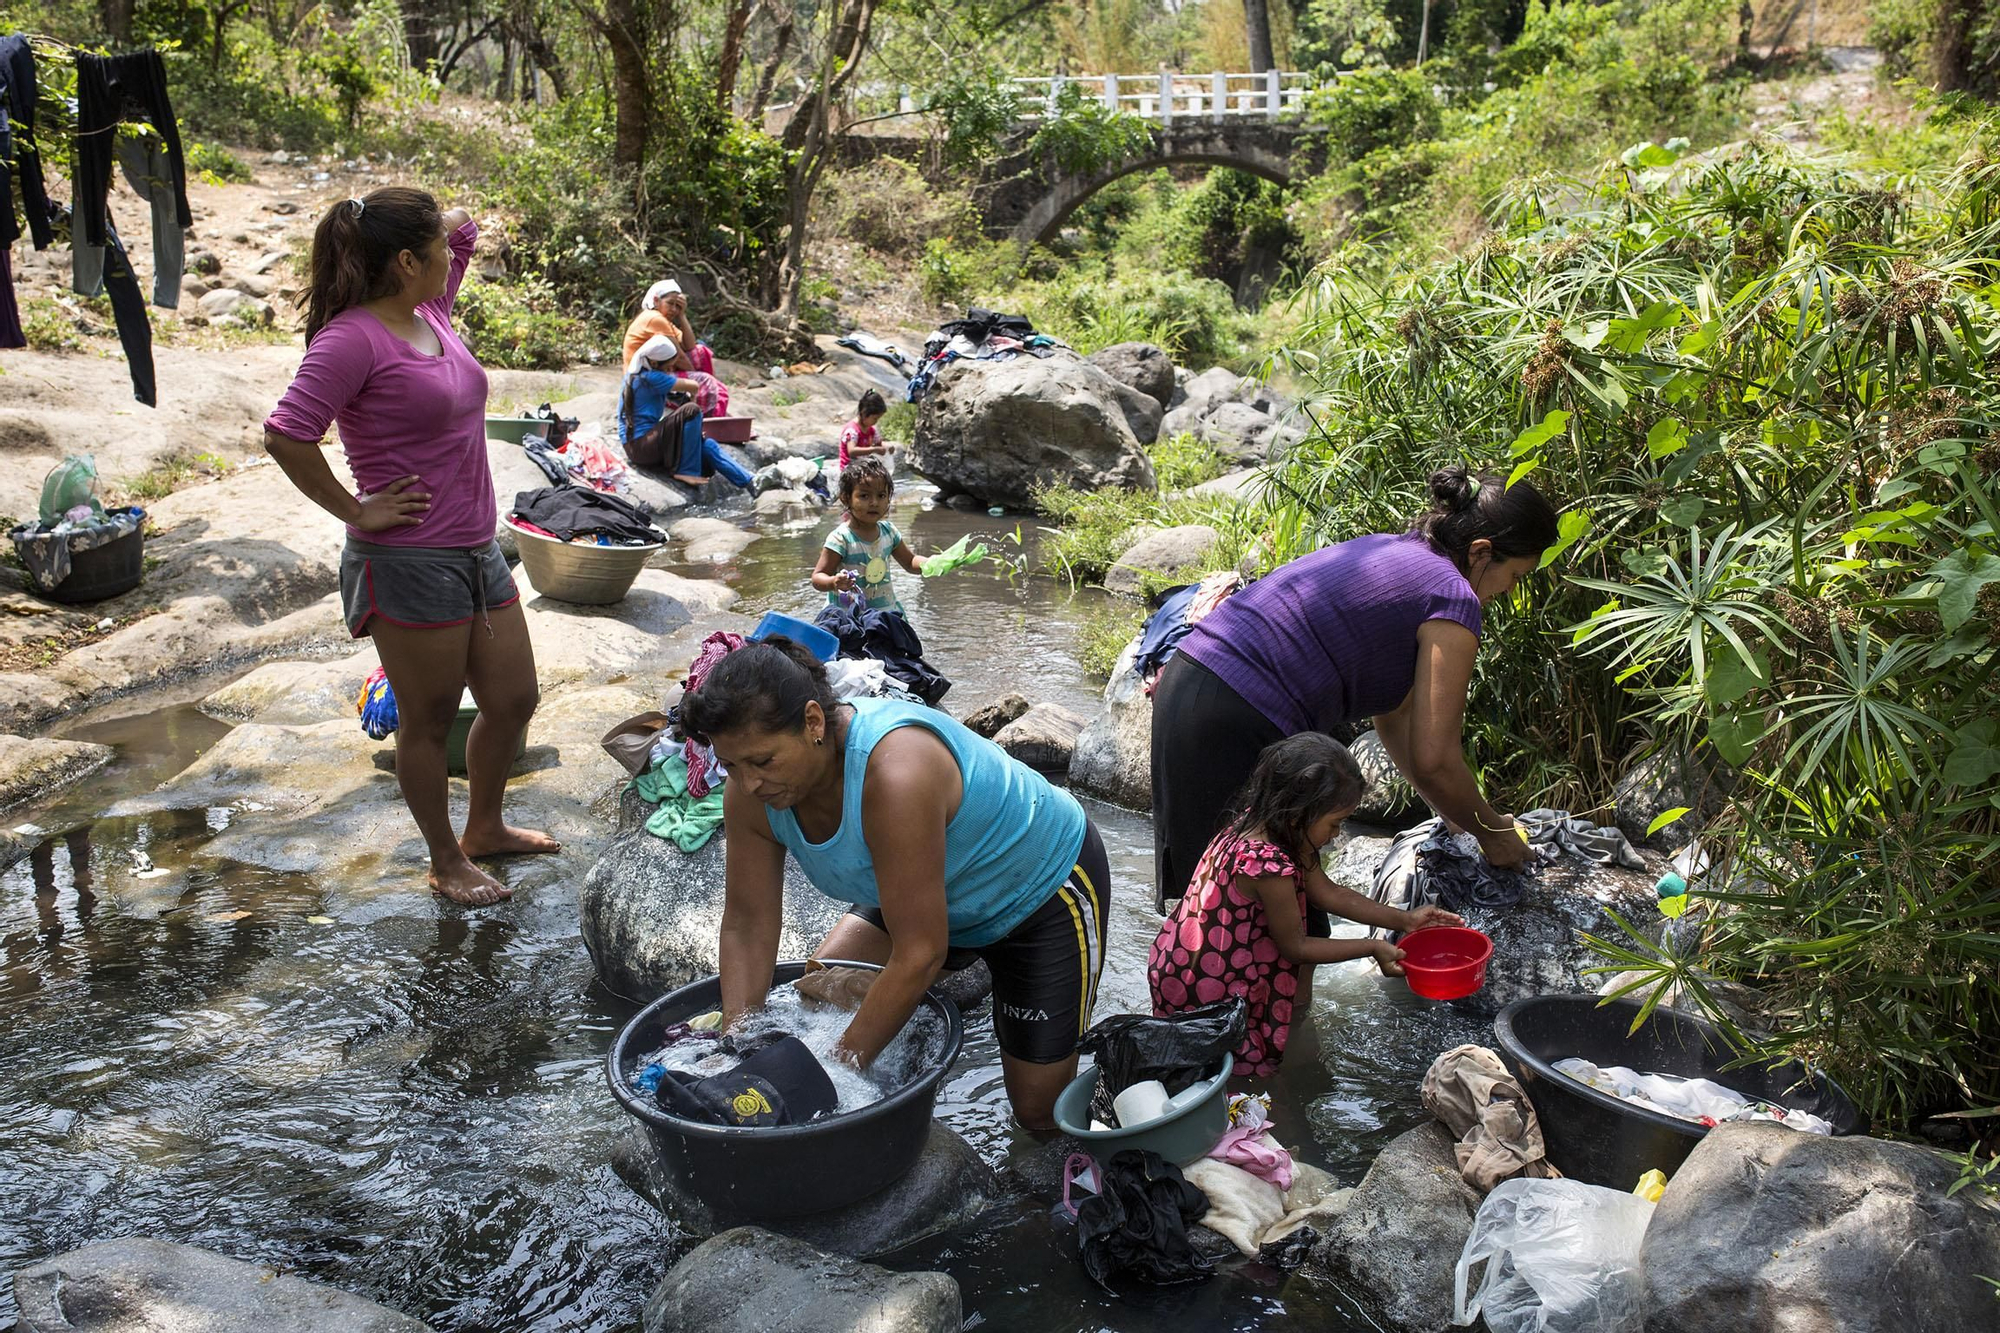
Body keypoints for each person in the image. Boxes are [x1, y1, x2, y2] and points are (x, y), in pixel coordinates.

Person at [263, 187, 556, 907]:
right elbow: (285, 434)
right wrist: (357, 508)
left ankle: (484, 825)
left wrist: (421, 220)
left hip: (475, 548)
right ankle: (445, 857)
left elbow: (464, 230)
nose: (447, 258)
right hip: (405, 561)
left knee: (515, 697)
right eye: (429, 252)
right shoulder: (351, 339)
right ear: (403, 262)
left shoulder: (430, 309)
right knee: (426, 724)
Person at [683, 639, 1110, 1130]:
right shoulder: (749, 795)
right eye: (732, 765)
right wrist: (739, 1045)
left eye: (763, 761)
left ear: (813, 723)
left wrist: (833, 1078)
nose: (749, 783)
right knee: (819, 995)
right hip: (922, 888)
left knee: (1041, 1115)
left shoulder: (895, 772)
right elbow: (747, 923)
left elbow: (920, 953)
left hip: (1039, 890)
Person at [1151, 467, 1560, 919]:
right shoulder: (1453, 596)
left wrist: (1457, 818)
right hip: (1237, 715)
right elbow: (1436, 759)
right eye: (1517, 576)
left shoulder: (1397, 550)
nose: (1510, 591)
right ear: (1481, 553)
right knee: (1261, 922)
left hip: (1192, 683)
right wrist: (1493, 834)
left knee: (1217, 912)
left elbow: (1398, 718)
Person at [1149, 733, 1464, 1077]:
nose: (1337, 834)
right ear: (1299, 815)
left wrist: (1405, 920)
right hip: (1206, 985)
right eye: (1335, 823)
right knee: (1231, 1077)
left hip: (1182, 962)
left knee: (1191, 1070)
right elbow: (1295, 946)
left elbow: (1328, 893)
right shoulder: (1267, 865)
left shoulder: (1264, 824)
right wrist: (1373, 946)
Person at [811, 457, 923, 612]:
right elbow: (818, 577)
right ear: (846, 498)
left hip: (885, 615)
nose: (874, 503)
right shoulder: (841, 539)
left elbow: (910, 562)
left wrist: (934, 563)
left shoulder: (889, 532)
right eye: (864, 496)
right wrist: (833, 582)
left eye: (881, 496)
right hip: (849, 620)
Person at [621, 278, 728, 416]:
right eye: (670, 304)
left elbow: (690, 346)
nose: (673, 310)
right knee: (708, 383)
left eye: (677, 306)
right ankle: (707, 411)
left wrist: (682, 315)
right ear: (656, 300)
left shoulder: (663, 320)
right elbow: (679, 356)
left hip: (656, 370)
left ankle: (706, 406)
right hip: (643, 376)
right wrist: (696, 377)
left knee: (700, 351)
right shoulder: (654, 318)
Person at [838, 389, 888, 468]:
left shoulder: (871, 430)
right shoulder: (852, 430)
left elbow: (879, 443)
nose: (876, 422)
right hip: (849, 471)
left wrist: (887, 447)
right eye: (875, 418)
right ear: (864, 413)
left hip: (862, 468)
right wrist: (874, 449)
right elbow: (852, 450)